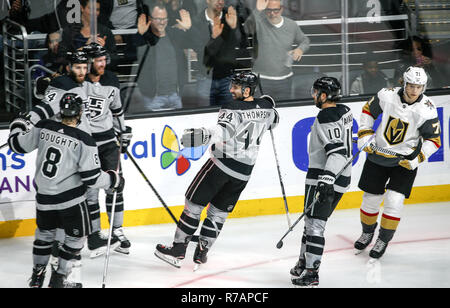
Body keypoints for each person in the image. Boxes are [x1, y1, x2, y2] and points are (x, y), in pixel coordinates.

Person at [154, 72, 279, 268]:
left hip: (221, 165)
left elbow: (223, 131)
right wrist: (267, 102)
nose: (231, 90)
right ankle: (201, 253)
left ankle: (178, 249)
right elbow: (274, 120)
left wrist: (201, 136)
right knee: (218, 213)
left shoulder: (231, 107)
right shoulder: (266, 108)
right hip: (244, 173)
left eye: (236, 87)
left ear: (247, 90)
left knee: (193, 204)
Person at [8, 93, 124, 288]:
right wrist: (114, 180)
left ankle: (37, 278)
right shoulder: (84, 139)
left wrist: (18, 123)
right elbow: (92, 178)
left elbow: (16, 144)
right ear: (79, 113)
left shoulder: (44, 126)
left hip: (44, 198)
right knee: (76, 238)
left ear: (61, 111)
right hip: (70, 201)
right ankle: (59, 278)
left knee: (44, 236)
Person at [353, 66, 441, 259]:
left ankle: (383, 238)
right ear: (403, 82)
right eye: (411, 85)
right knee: (370, 199)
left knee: (394, 201)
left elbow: (434, 140)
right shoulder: (386, 96)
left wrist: (417, 159)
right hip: (378, 156)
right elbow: (368, 110)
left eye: (419, 87)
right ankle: (368, 231)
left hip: (404, 161)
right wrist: (365, 134)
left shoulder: (427, 109)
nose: (414, 91)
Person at [290, 77, 353, 287]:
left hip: (324, 176)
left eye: (316, 91)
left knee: (315, 225)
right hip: (342, 176)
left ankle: (311, 272)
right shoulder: (344, 109)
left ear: (324, 96)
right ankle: (303, 262)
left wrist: (326, 180)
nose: (313, 95)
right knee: (311, 222)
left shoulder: (326, 115)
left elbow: (337, 152)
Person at [82, 43, 132, 256]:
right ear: (88, 62)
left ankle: (117, 230)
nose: (103, 64)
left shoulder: (111, 80)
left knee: (116, 185)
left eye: (104, 60)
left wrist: (124, 132)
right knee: (91, 192)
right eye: (99, 61)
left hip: (108, 142)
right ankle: (95, 235)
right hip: (86, 144)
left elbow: (117, 110)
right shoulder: (77, 82)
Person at [130, 3, 192, 111]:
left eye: (164, 19)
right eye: (158, 19)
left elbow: (197, 44)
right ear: (150, 19)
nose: (162, 22)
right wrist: (139, 34)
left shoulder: (173, 35)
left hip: (175, 95)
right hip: (153, 97)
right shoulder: (145, 37)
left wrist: (189, 29)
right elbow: (130, 55)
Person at [244, 0, 310, 101]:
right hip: (261, 79)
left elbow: (305, 40)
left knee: (283, 112)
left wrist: (300, 49)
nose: (272, 14)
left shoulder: (291, 25)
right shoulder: (260, 22)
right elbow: (247, 29)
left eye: (275, 10)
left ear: (282, 9)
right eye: (269, 10)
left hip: (285, 80)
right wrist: (257, 10)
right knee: (260, 111)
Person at [189, 0, 245, 106]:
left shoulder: (230, 16)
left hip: (227, 78)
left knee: (229, 116)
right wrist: (213, 38)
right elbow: (200, 50)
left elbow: (241, 43)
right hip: (205, 79)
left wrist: (234, 28)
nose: (220, 2)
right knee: (204, 117)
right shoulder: (197, 21)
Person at [58, 0, 119, 70]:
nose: (95, 13)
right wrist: (85, 48)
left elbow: (115, 60)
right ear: (82, 8)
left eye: (97, 10)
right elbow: (61, 58)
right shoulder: (69, 31)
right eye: (91, 9)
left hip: (99, 76)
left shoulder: (105, 31)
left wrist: (102, 50)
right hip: (75, 76)